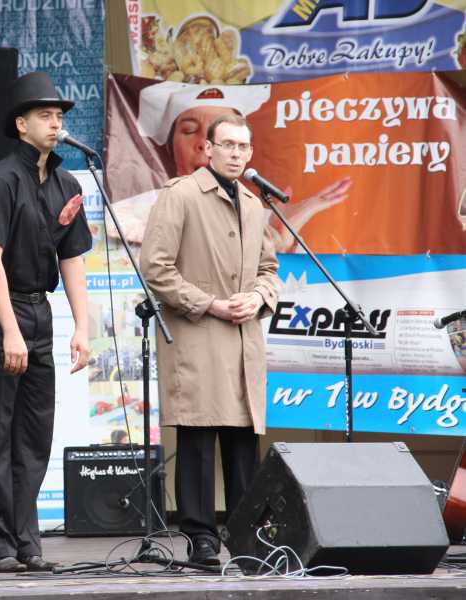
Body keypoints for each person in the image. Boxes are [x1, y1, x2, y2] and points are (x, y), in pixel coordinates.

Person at [0, 71, 92, 573]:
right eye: (45, 115)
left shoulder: (66, 183)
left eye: (59, 116)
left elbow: (72, 258)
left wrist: (82, 326)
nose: (55, 124)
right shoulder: (2, 179)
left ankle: (27, 541)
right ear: (21, 124)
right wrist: (10, 331)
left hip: (40, 309)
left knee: (35, 434)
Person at [139, 114, 280, 566]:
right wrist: (210, 304)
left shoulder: (255, 205)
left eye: (243, 147)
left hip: (242, 340)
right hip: (198, 334)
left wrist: (258, 297)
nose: (236, 154)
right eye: (228, 145)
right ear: (209, 149)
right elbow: (156, 268)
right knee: (198, 439)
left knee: (243, 443)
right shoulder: (181, 195)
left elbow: (269, 269)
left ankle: (247, 537)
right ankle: (200, 537)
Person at [109, 82, 352, 252]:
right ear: (171, 147)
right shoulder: (132, 212)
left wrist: (282, 236)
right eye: (190, 130)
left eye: (220, 134)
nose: (205, 144)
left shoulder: (260, 215)